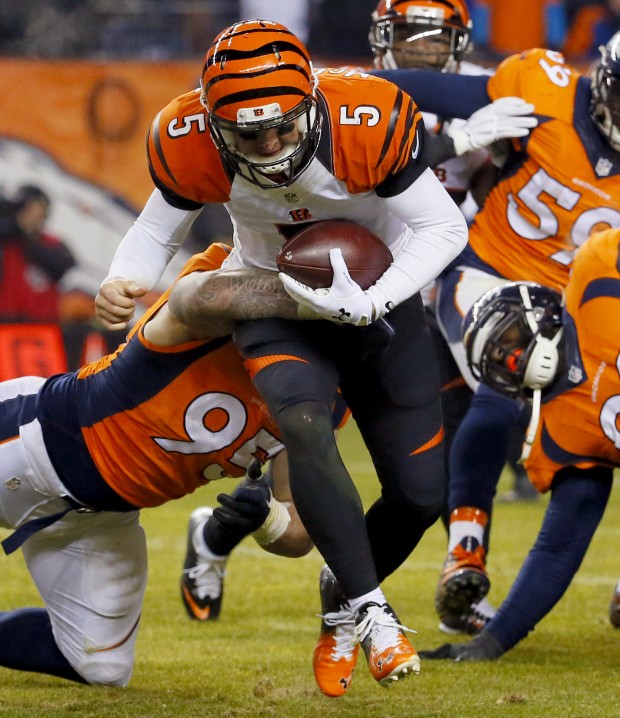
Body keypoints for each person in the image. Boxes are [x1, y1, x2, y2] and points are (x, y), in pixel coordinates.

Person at [94, 17, 483, 695]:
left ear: (310, 102)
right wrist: (123, 276)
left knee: (421, 497)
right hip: (277, 301)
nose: (270, 144)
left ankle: (340, 593)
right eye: (249, 132)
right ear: (215, 124)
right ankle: (371, 611)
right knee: (302, 424)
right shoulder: (187, 139)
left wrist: (375, 297)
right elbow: (157, 227)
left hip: (381, 301)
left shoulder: (366, 118)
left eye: (282, 125)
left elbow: (442, 225)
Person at [179, 0, 537, 644]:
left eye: (435, 39)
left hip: (419, 301)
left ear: (458, 41)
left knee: (442, 458)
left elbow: (484, 205)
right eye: (409, 36)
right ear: (382, 39)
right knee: (295, 528)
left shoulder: (487, 101)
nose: (423, 51)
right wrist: (454, 138)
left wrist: (509, 147)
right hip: (317, 296)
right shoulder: (345, 102)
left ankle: (447, 564)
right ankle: (215, 532)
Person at [372, 32, 620, 629]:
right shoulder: (547, 88)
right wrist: (340, 89)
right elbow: (426, 88)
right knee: (513, 372)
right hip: (492, 277)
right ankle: (465, 552)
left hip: (585, 305)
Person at [0, 241, 327, 687]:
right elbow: (193, 299)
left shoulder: (316, 396)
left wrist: (266, 518)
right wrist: (321, 296)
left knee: (100, 666)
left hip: (97, 520)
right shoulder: (216, 296)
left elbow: (299, 534)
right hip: (34, 438)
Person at [418, 226, 620, 660]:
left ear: (542, 312)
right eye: (495, 359)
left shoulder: (595, 272)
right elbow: (558, 547)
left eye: (506, 341)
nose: (509, 359)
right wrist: (490, 644)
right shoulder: (559, 433)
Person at [0, 184, 76, 323]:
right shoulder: (8, 240)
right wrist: (17, 227)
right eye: (27, 210)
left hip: (43, 326)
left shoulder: (51, 243)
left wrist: (28, 237)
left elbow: (63, 265)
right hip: (7, 323)